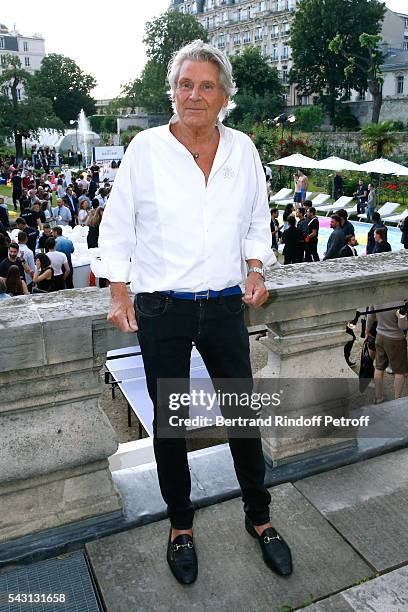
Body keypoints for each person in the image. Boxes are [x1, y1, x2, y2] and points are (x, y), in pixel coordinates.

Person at [99, 39, 292, 584]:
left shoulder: (244, 150)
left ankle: (260, 517)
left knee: (242, 416)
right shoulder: (145, 148)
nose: (195, 95)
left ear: (224, 96)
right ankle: (180, 525)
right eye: (186, 84)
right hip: (162, 307)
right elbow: (117, 225)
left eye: (207, 85)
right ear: (173, 91)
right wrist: (118, 290)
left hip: (227, 302)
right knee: (170, 423)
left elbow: (258, 218)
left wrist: (256, 269)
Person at [366, 302, 408, 402]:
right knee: (400, 372)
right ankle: (397, 400)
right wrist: (402, 317)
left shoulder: (378, 298)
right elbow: (402, 326)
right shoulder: (401, 302)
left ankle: (378, 397)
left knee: (379, 367)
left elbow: (371, 316)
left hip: (380, 336)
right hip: (396, 340)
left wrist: (367, 329)